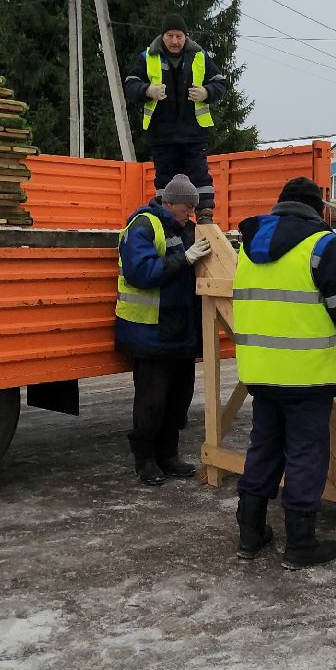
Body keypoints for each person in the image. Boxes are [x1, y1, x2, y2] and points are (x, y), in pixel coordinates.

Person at [232, 177, 336, 568]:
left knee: (263, 448)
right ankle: (300, 544)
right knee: (305, 454)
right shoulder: (322, 245)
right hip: (308, 375)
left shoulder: (248, 246)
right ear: (318, 210)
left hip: (261, 372)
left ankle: (251, 534)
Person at [115, 174, 212, 487]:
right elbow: (140, 272)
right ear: (170, 202)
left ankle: (168, 456)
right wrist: (183, 259)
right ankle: (145, 460)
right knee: (152, 402)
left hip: (180, 332)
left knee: (178, 400)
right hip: (150, 332)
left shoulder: (185, 229)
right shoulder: (143, 226)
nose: (191, 213)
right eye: (187, 206)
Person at [124, 15, 227, 223]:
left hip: (194, 133)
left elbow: (220, 83)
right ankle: (166, 218)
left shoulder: (200, 56)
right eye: (170, 36)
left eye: (178, 36)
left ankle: (204, 216)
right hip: (162, 134)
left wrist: (206, 92)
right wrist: (147, 90)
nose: (174, 41)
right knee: (165, 179)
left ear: (185, 37)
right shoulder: (147, 57)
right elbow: (130, 85)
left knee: (200, 176)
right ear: (162, 37)